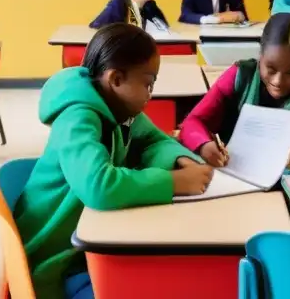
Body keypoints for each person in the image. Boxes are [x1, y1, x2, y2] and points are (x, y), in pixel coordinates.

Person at [13, 23, 211, 299]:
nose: (150, 93)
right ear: (116, 79)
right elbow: (99, 187)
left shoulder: (119, 106)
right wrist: (173, 182)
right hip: (55, 258)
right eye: (148, 83)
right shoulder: (77, 118)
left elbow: (154, 139)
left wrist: (182, 161)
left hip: (86, 243)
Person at [178, 13, 290, 169]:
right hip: (238, 172)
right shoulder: (240, 75)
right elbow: (192, 122)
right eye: (270, 68)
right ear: (260, 55)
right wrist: (203, 145)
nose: (278, 81)